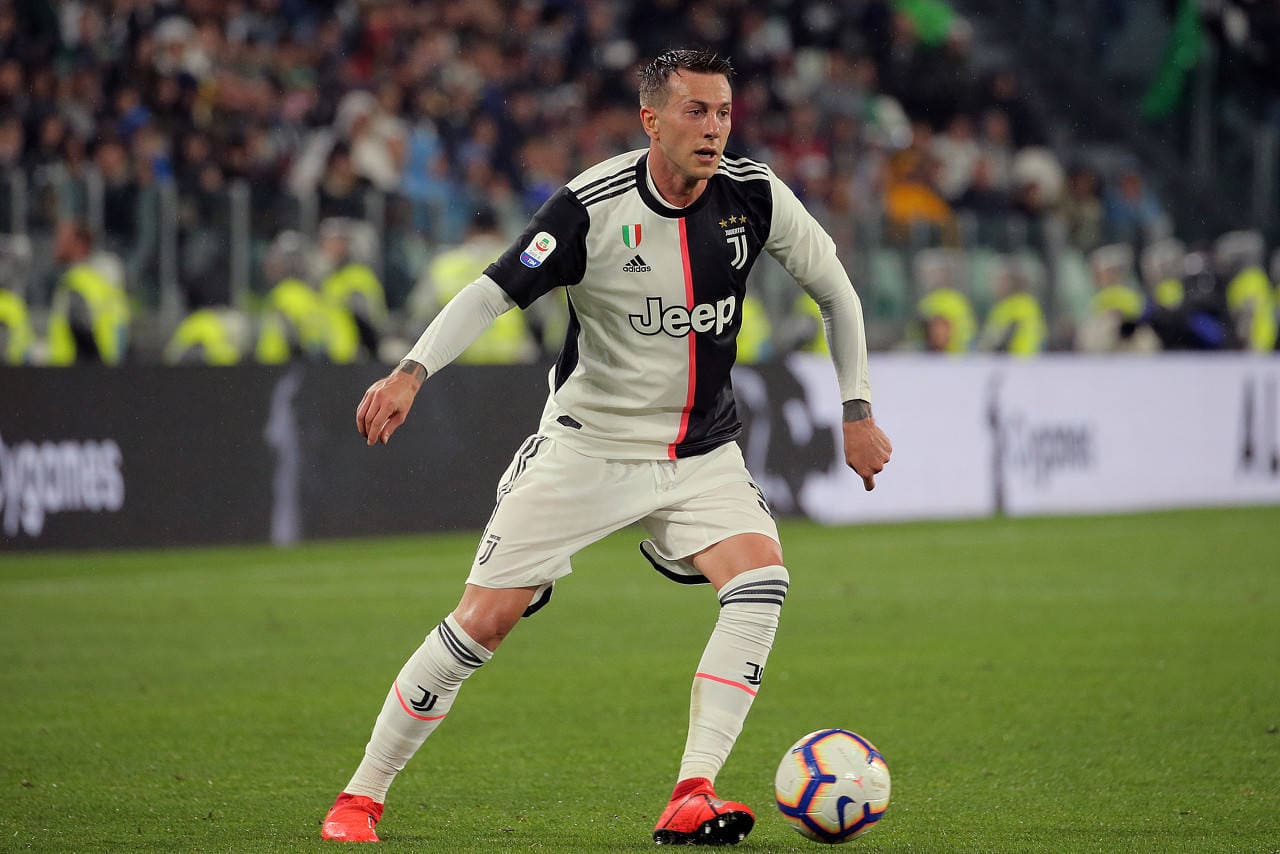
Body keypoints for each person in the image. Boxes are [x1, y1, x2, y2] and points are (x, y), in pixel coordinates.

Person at [321, 49, 893, 847]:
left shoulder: (756, 195)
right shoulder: (589, 206)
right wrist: (411, 372)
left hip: (699, 452)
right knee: (483, 623)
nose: (715, 129)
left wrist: (857, 409)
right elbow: (493, 290)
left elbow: (836, 292)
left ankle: (692, 791)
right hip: (586, 449)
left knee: (761, 580)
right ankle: (360, 797)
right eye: (696, 111)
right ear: (651, 120)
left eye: (724, 112)